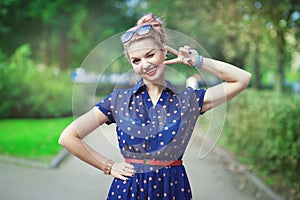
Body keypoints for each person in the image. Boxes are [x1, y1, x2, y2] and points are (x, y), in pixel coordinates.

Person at [58, 13, 252, 199]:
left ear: (164, 53)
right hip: (129, 190)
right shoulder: (118, 101)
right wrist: (108, 166)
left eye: (150, 55)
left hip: (173, 189)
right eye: (136, 60)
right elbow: (68, 137)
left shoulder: (188, 100)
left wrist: (197, 61)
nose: (144, 64)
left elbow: (242, 79)